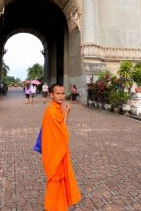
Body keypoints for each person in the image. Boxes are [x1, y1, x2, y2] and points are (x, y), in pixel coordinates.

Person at [41, 83, 81, 211]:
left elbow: (61, 130)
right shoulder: (51, 111)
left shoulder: (57, 108)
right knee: (55, 179)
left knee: (61, 179)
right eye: (58, 93)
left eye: (63, 93)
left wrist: (64, 113)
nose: (61, 96)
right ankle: (52, 207)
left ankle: (60, 205)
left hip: (59, 150)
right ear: (51, 95)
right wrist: (66, 114)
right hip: (54, 152)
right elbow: (61, 132)